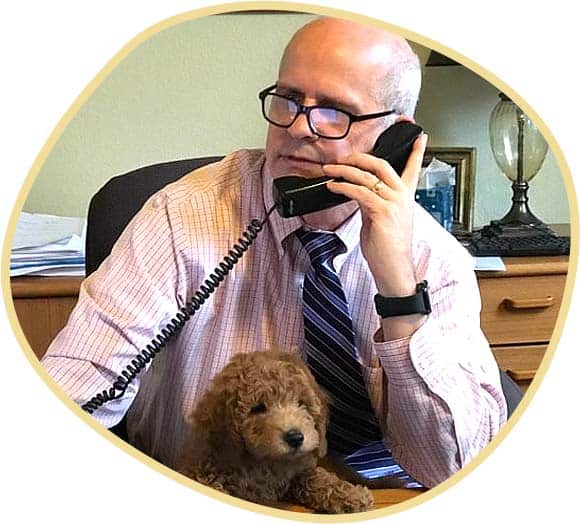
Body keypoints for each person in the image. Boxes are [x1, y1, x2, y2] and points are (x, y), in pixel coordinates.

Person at [41, 17, 507, 489]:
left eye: (334, 111)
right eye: (288, 100)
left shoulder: (436, 258)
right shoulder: (180, 217)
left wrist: (399, 293)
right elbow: (81, 385)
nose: (298, 128)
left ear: (395, 137)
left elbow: (459, 471)